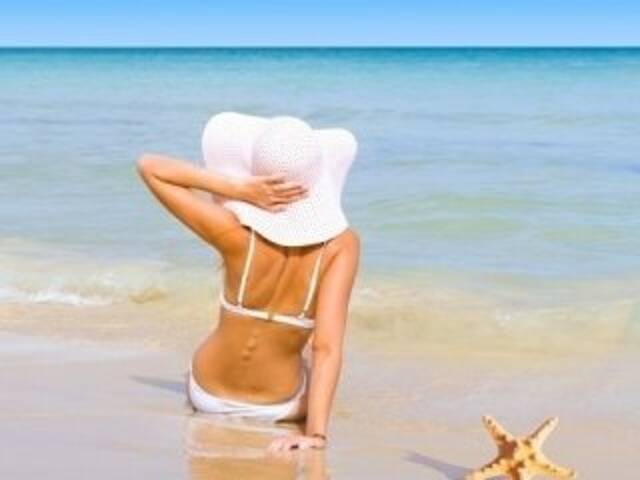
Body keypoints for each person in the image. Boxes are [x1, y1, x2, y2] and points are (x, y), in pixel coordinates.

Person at [136, 112, 360, 452]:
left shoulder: (232, 231)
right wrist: (315, 436)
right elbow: (326, 347)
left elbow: (149, 166)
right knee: (310, 361)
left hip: (207, 393)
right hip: (279, 406)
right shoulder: (340, 246)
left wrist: (236, 188)